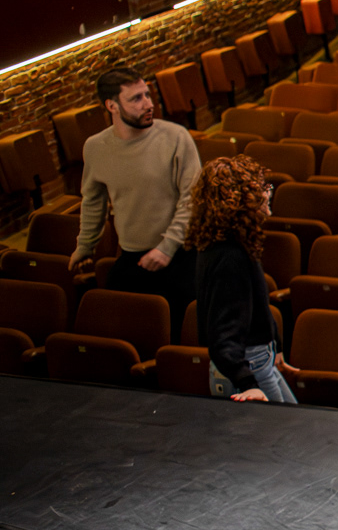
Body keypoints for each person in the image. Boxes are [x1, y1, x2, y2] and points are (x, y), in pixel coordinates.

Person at [69, 67, 202, 335]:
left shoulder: (176, 137)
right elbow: (93, 201)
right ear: (112, 106)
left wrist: (167, 247)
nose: (148, 104)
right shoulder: (95, 147)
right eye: (136, 98)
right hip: (132, 256)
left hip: (181, 254)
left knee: (179, 333)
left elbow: (193, 199)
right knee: (124, 332)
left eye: (147, 95)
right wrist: (85, 246)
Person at [187, 155, 298, 403]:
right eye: (260, 188)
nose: (267, 193)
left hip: (260, 360)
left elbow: (258, 304)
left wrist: (275, 347)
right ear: (239, 201)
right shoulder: (229, 257)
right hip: (246, 368)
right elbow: (221, 335)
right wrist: (248, 384)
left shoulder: (235, 243)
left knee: (295, 420)